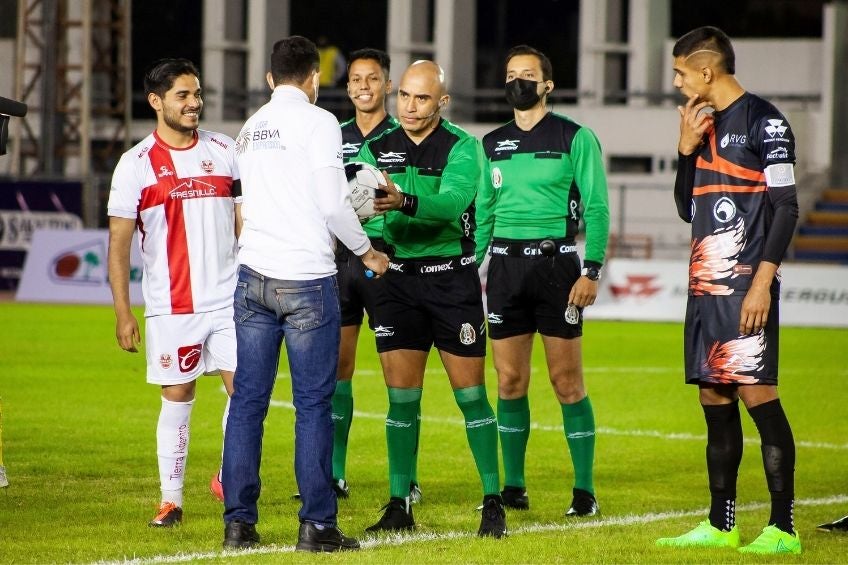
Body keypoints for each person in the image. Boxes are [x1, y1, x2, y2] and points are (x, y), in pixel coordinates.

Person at [220, 36, 388, 552]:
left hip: (252, 277)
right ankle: (316, 524)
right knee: (313, 404)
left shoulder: (250, 128)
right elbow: (336, 206)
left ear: (271, 79)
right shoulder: (317, 123)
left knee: (248, 402)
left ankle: (239, 524)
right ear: (315, 78)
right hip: (305, 279)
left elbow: (243, 205)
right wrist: (367, 253)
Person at [655, 26, 801, 555]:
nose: (676, 83)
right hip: (704, 283)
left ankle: (783, 528)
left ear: (705, 72)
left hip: (745, 283)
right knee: (714, 397)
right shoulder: (701, 125)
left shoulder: (767, 121)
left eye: (679, 73)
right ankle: (721, 523)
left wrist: (763, 281)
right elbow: (684, 208)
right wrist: (684, 151)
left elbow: (786, 207)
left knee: (759, 398)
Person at [360, 60, 507, 538]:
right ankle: (399, 502)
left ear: (441, 102)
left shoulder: (463, 147)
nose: (409, 106)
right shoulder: (377, 145)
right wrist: (372, 236)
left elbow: (453, 204)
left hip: (451, 283)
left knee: (471, 397)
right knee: (401, 400)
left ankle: (492, 500)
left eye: (421, 98)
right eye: (403, 95)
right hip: (398, 283)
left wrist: (404, 202)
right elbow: (359, 207)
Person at [475, 45, 609, 517]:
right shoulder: (490, 144)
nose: (518, 82)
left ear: (547, 85)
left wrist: (591, 270)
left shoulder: (576, 137)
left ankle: (584, 491)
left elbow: (596, 207)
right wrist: (470, 266)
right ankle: (514, 487)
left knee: (566, 381)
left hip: (557, 267)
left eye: (528, 75)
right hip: (506, 271)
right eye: (511, 74)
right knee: (509, 380)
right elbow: (485, 215)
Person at [107, 58, 240, 527]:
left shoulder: (226, 149)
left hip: (231, 300)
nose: (194, 103)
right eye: (183, 95)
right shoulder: (135, 164)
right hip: (172, 306)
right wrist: (124, 311)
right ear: (156, 101)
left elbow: (244, 220)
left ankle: (229, 474)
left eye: (197, 94)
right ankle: (171, 500)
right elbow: (119, 246)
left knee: (245, 394)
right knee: (177, 398)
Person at [331, 47, 422, 502]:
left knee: (399, 375)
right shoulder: (332, 136)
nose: (363, 87)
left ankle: (407, 478)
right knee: (339, 368)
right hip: (341, 260)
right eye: (355, 80)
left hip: (391, 261)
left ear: (387, 85)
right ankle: (335, 474)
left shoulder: (405, 135)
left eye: (372, 79)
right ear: (347, 87)